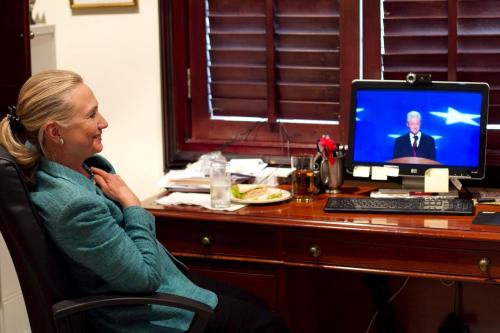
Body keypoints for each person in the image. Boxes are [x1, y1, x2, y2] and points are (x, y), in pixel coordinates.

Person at [0, 70, 288, 333]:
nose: (104, 122)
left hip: (165, 284)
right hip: (141, 314)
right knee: (267, 327)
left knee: (258, 306)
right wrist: (133, 204)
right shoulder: (72, 206)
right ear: (54, 132)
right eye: (91, 116)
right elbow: (144, 279)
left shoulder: (81, 167)